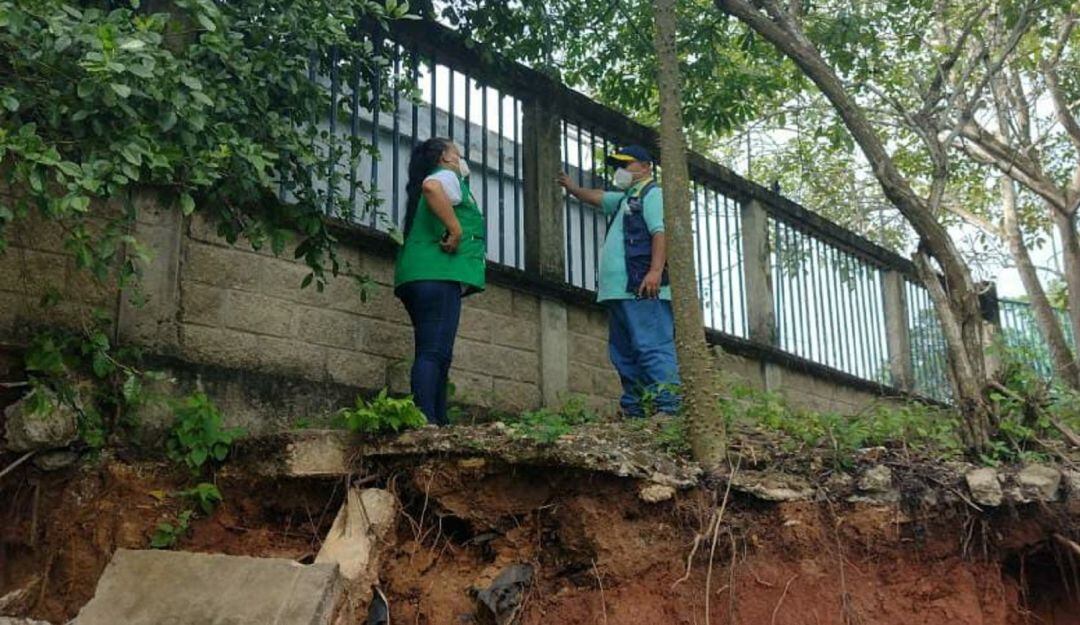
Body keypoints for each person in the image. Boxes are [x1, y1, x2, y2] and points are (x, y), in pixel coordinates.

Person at [557, 144, 681, 417]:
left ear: (647, 167)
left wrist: (655, 271)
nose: (620, 171)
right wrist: (572, 187)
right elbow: (599, 197)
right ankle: (636, 412)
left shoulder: (653, 194)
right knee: (624, 354)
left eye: (627, 165)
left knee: (652, 347)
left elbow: (661, 232)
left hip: (643, 288)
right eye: (618, 166)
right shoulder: (627, 198)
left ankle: (669, 409)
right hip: (619, 292)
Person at [394, 138, 485, 425]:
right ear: (445, 157)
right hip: (437, 275)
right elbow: (432, 188)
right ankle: (425, 422)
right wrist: (455, 229)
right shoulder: (446, 176)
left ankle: (438, 422)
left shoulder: (441, 179)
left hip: (417, 276)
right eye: (458, 152)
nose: (461, 158)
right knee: (434, 352)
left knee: (437, 353)